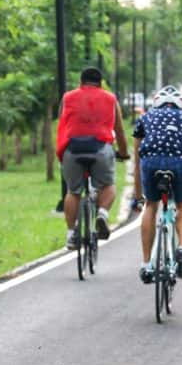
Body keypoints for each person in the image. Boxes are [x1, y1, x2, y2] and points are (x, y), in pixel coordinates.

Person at [132, 85, 182, 284]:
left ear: (156, 103)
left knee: (151, 205)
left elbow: (137, 160)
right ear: (181, 104)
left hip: (151, 163)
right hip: (180, 164)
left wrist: (138, 197)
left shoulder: (145, 118)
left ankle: (147, 264)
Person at [55, 67, 130, 250]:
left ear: (81, 82)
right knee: (108, 185)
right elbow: (119, 130)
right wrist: (123, 152)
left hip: (72, 150)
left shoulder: (67, 98)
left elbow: (62, 124)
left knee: (73, 192)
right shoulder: (110, 99)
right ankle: (102, 214)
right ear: (100, 83)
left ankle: (72, 235)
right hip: (100, 150)